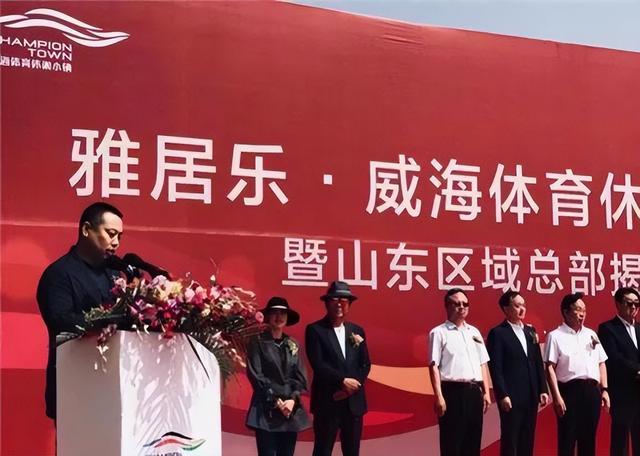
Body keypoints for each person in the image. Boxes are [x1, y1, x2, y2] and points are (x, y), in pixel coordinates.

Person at [36, 202, 124, 420]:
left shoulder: (115, 273)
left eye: (119, 236)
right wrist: (106, 320)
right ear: (86, 229)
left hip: (112, 385)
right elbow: (60, 321)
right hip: (73, 384)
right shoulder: (59, 274)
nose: (115, 242)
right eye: (111, 233)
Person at [305, 281, 371, 456]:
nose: (339, 304)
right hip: (328, 401)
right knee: (323, 450)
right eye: (335, 299)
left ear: (349, 304)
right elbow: (318, 364)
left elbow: (365, 364)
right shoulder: (315, 330)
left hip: (353, 404)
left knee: (352, 451)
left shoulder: (357, 331)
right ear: (327, 303)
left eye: (344, 300)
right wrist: (341, 382)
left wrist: (352, 387)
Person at [544, 292, 609, 456]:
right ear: (566, 312)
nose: (582, 314)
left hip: (592, 392)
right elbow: (550, 367)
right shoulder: (555, 335)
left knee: (588, 440)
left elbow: (601, 362)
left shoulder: (591, 334)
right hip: (569, 391)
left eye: (584, 310)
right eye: (578, 309)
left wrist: (604, 389)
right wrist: (556, 397)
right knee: (567, 439)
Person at [429, 288, 492, 456]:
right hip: (452, 393)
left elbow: (483, 363)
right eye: (457, 304)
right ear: (447, 306)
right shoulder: (439, 332)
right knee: (452, 444)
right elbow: (433, 366)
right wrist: (439, 396)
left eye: (465, 304)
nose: (462, 307)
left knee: (472, 443)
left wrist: (486, 392)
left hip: (474, 393)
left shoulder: (474, 332)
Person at [245, 296, 310, 456]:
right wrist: (277, 401)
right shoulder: (257, 342)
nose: (279, 317)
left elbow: (300, 377)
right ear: (268, 316)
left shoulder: (292, 343)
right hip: (266, 409)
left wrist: (292, 399)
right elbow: (256, 375)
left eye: (283, 313)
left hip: (289, 410)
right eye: (275, 312)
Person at [487, 290, 549, 456]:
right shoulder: (498, 333)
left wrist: (543, 389)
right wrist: (502, 394)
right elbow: (496, 367)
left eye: (524, 305)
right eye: (517, 305)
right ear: (506, 308)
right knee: (510, 440)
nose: (522, 309)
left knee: (527, 439)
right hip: (511, 396)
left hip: (531, 395)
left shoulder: (530, 331)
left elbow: (537, 362)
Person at [598, 287, 640, 456]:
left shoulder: (639, 328)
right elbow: (614, 358)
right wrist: (638, 370)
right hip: (622, 393)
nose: (633, 307)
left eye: (636, 303)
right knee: (620, 440)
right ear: (618, 304)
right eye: (629, 303)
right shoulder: (608, 328)